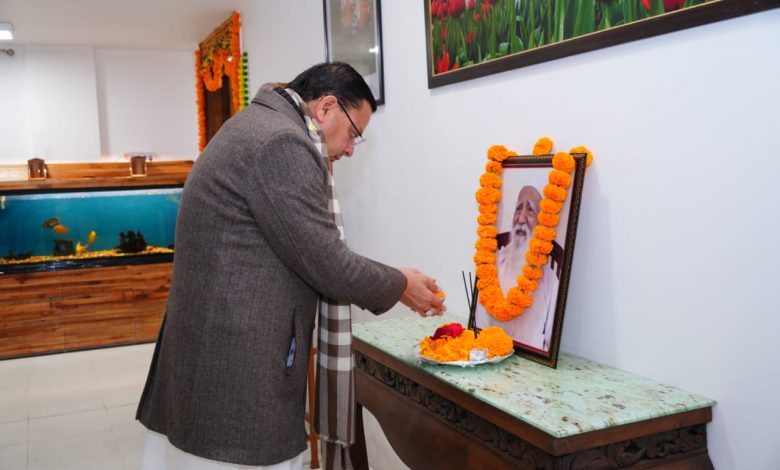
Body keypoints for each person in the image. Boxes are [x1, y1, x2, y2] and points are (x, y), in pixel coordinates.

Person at [135, 62, 445, 470]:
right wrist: (401, 283)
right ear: (326, 108)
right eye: (354, 133)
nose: (351, 149)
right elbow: (327, 264)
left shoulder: (254, 124)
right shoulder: (282, 143)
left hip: (208, 352)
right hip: (235, 366)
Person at [475, 185, 558, 352]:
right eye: (518, 208)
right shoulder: (492, 266)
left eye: (530, 210)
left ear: (541, 223)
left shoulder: (550, 280)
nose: (521, 218)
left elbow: (550, 344)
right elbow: (479, 324)